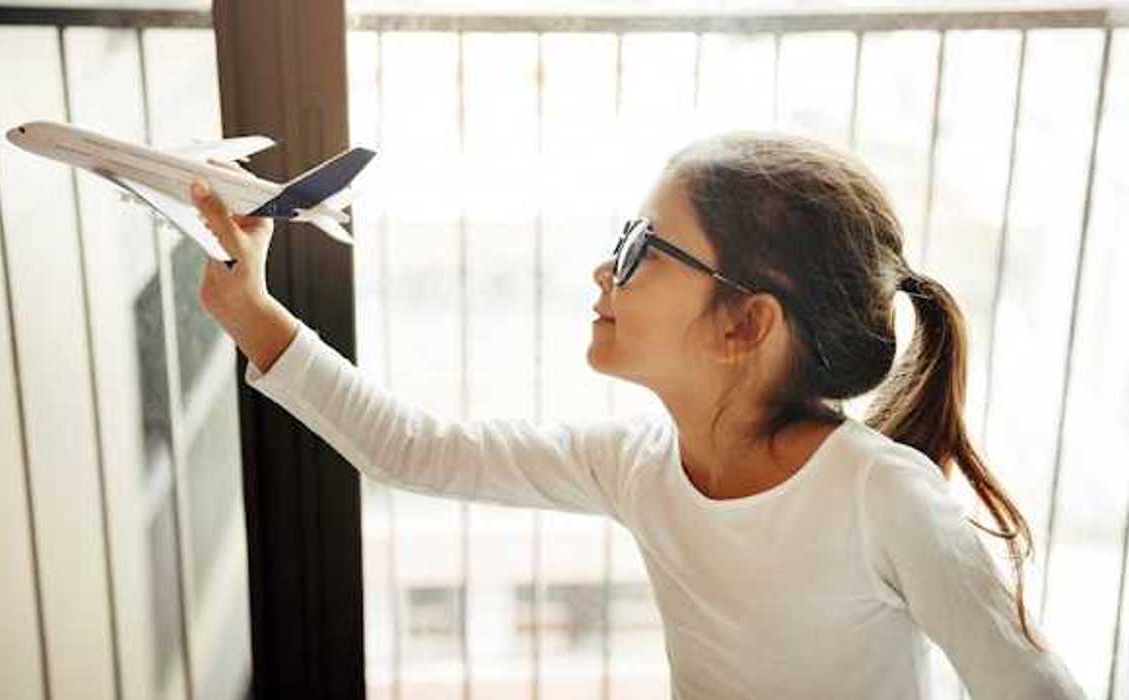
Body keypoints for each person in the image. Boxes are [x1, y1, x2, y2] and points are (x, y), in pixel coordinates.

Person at [188, 132, 1085, 699]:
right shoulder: (636, 465)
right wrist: (252, 313)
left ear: (744, 324)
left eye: (640, 248)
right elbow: (412, 451)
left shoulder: (880, 493)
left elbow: (1030, 687)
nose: (603, 270)